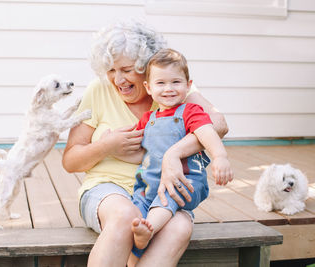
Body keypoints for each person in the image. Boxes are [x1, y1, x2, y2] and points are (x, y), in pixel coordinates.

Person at [62, 20, 230, 267]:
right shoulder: (98, 90)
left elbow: (219, 124)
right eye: (110, 70)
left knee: (181, 226)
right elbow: (70, 160)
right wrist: (108, 146)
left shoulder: (170, 87)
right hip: (109, 190)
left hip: (162, 193)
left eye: (127, 69)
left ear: (148, 68)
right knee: (125, 215)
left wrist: (173, 154)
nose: (118, 79)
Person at [129, 48, 234, 252]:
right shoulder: (147, 120)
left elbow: (207, 132)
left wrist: (220, 156)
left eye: (176, 82)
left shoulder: (191, 111)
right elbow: (133, 148)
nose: (168, 88)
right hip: (150, 185)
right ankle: (140, 237)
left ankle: (149, 231)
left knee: (167, 197)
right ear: (148, 87)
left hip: (185, 182)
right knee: (135, 209)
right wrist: (111, 144)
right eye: (161, 83)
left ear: (189, 85)